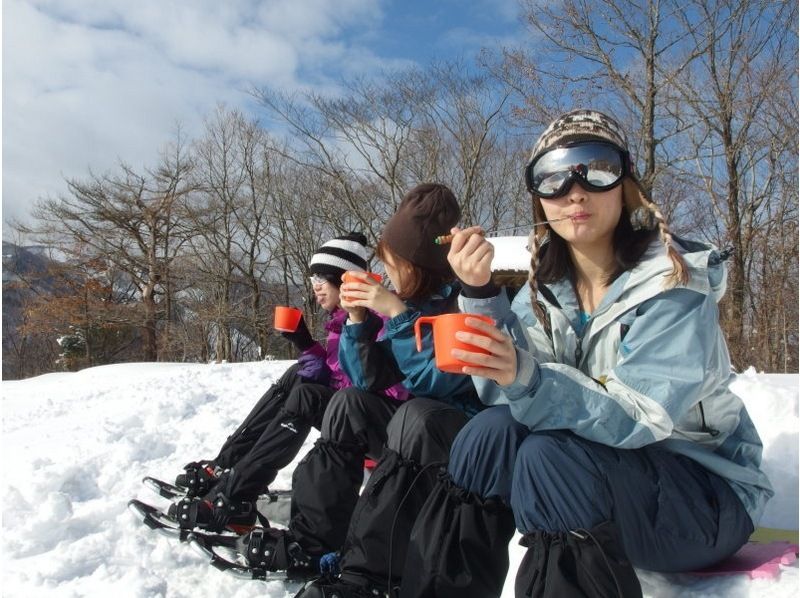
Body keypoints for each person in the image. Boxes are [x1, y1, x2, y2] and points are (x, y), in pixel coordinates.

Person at [398, 110, 773, 597]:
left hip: (706, 496)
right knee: (487, 434)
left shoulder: (675, 284)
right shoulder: (545, 290)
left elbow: (641, 414)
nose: (575, 191)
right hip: (604, 482)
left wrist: (528, 378)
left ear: (625, 184)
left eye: (596, 169)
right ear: (540, 197)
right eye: (553, 177)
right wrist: (480, 294)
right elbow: (504, 397)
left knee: (549, 457)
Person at [227, 184, 482, 589]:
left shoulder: (457, 305)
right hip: (408, 432)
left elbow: (440, 383)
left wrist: (396, 314)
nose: (387, 272)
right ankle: (311, 543)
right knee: (348, 405)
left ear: (418, 265)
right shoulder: (406, 303)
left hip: (454, 439)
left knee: (412, 416)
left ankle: (370, 572)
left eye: (393, 262)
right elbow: (365, 379)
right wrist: (358, 320)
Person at [170, 232, 409, 532]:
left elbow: (386, 387)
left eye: (321, 279)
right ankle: (227, 465)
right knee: (296, 377)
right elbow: (335, 377)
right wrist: (306, 345)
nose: (316, 289)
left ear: (345, 280)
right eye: (312, 282)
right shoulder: (341, 319)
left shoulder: (376, 317)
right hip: (355, 414)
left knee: (307, 396)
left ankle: (237, 495)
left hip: (383, 429)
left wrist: (344, 344)